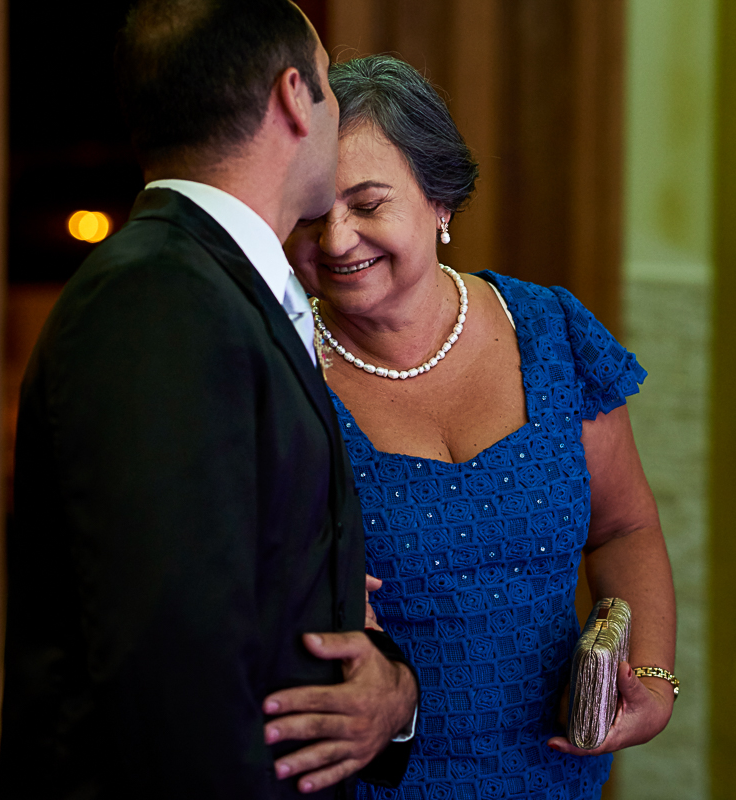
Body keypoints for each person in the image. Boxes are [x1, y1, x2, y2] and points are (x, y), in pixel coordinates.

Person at [0, 5, 418, 798]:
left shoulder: (218, 285)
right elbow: (169, 660)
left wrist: (392, 689)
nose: (334, 108)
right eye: (329, 85)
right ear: (295, 96)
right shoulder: (154, 295)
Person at [284, 55, 678, 799]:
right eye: (309, 211)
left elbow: (624, 527)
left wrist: (654, 678)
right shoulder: (283, 374)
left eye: (367, 204)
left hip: (554, 770)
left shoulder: (552, 331)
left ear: (440, 202)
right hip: (370, 781)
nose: (336, 239)